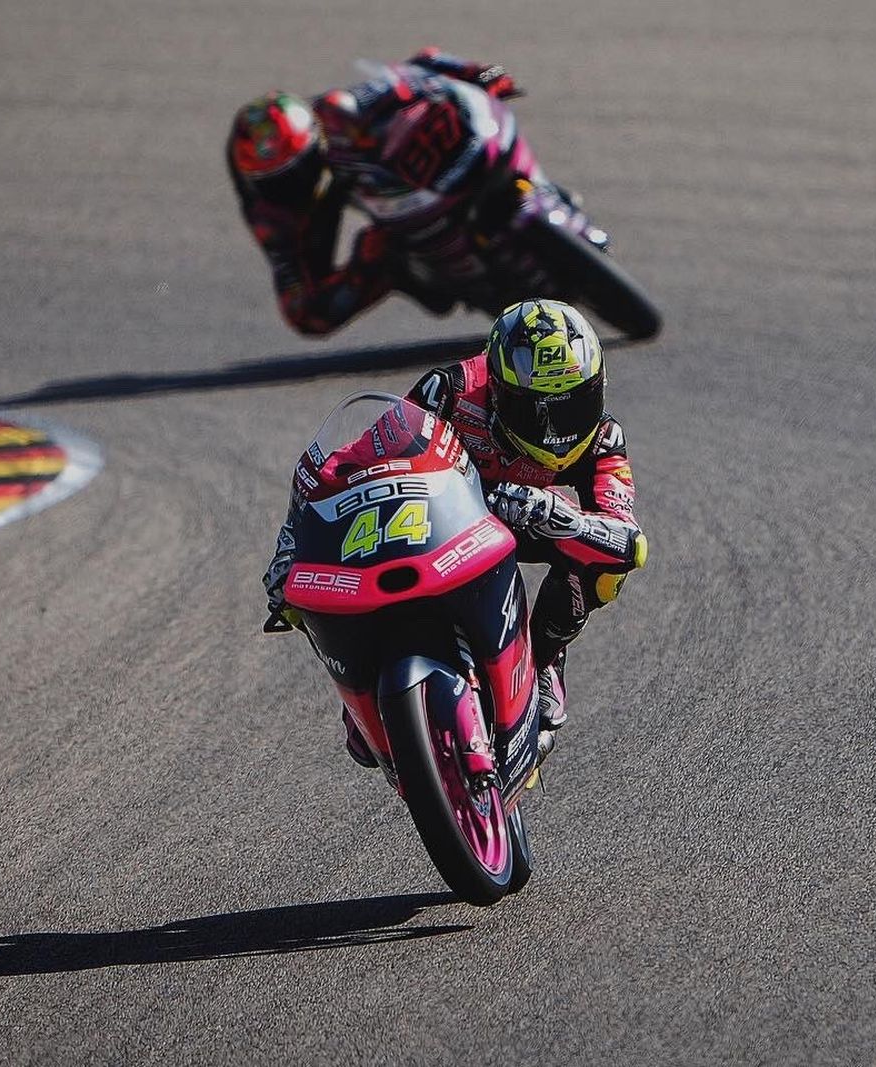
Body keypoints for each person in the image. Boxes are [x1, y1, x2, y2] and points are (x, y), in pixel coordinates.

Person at [264, 299, 647, 766]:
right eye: (535, 411)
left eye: (575, 406)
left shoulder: (604, 439)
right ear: (499, 389)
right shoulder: (449, 391)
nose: (556, 434)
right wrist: (291, 542)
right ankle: (367, 679)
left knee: (600, 572)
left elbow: (627, 541)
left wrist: (556, 513)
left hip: (528, 517)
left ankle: (543, 662)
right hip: (445, 510)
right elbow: (356, 459)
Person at [225, 49, 524, 336]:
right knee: (310, 314)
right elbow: (298, 303)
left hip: (380, 174)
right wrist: (362, 268)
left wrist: (475, 73)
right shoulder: (270, 213)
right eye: (274, 179)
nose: (289, 185)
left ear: (313, 143)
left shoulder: (336, 113)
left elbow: (420, 66)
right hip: (327, 218)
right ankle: (413, 272)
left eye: (294, 171)